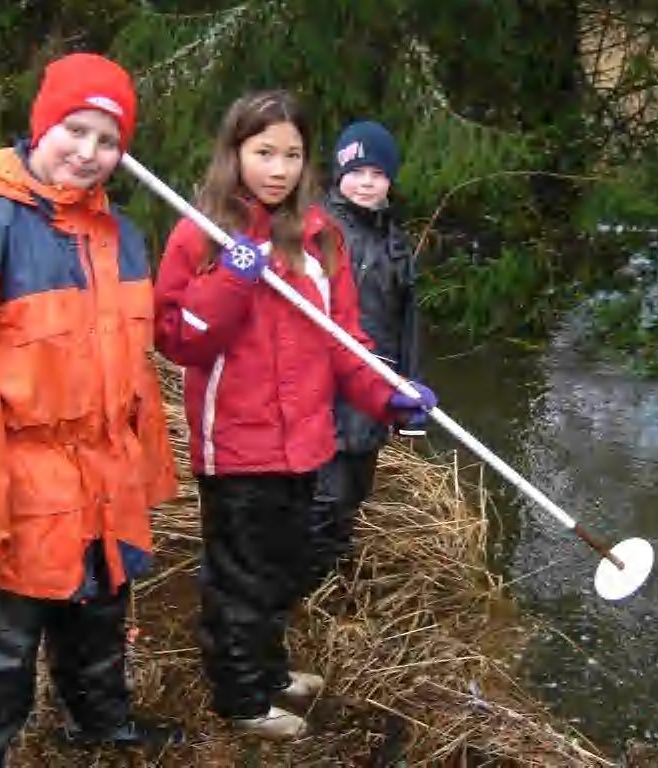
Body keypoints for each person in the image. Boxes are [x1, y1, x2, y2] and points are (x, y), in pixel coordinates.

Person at [0, 52, 182, 766]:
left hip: (104, 484)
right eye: (75, 130)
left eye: (108, 140)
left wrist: (145, 477)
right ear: (41, 125)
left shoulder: (121, 234)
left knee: (99, 624)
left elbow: (136, 374)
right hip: (19, 491)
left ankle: (101, 727)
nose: (89, 154)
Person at [153, 90, 436, 739]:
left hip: (307, 439)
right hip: (237, 444)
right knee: (239, 578)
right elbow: (178, 339)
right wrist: (231, 275)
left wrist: (388, 393)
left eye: (291, 155)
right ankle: (240, 698)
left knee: (281, 565)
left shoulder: (320, 237)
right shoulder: (201, 233)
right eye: (263, 153)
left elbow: (345, 343)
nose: (277, 169)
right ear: (235, 153)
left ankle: (269, 669)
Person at [310, 120, 421, 582]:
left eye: (377, 174)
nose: (367, 182)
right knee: (325, 492)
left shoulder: (396, 245)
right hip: (324, 384)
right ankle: (307, 579)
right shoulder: (317, 229)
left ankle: (334, 567)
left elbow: (408, 321)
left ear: (390, 181)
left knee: (355, 488)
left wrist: (409, 386)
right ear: (339, 174)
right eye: (357, 172)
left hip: (376, 385)